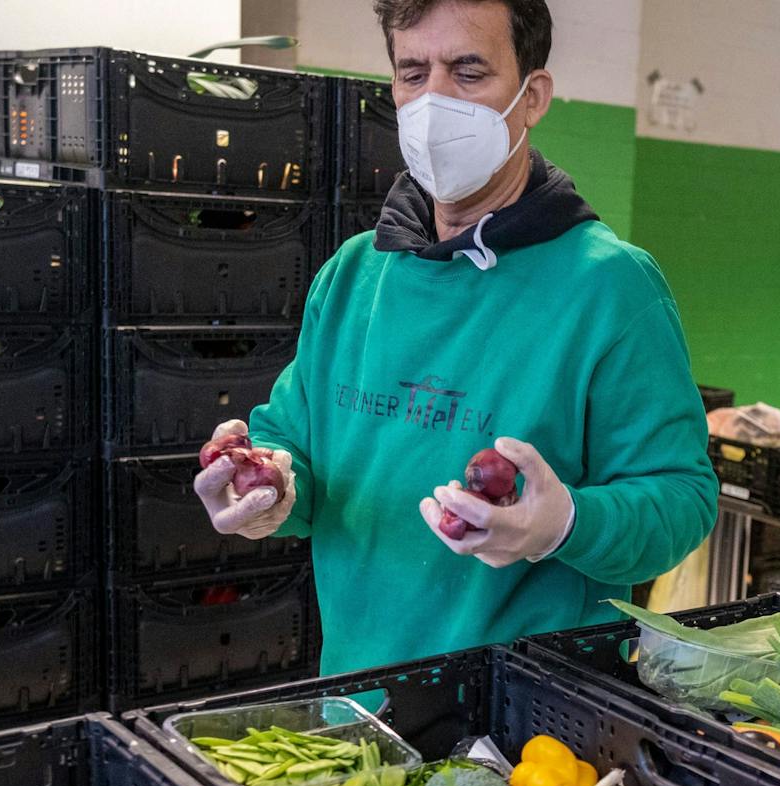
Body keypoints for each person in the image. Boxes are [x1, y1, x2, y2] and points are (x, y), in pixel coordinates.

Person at [195, 0, 717, 672]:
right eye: (414, 73)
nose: (434, 100)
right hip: (360, 698)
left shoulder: (610, 289)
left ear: (532, 98)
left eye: (468, 73)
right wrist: (266, 488)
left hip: (534, 726)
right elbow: (295, 444)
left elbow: (681, 496)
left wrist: (565, 525)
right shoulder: (354, 276)